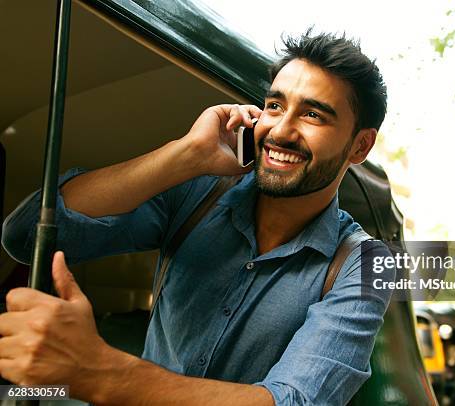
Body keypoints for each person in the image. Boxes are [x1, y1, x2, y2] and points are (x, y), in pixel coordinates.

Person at [0, 30, 394, 405]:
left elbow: (298, 400)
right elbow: (23, 236)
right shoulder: (197, 191)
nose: (281, 130)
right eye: (274, 106)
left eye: (313, 115)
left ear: (360, 146)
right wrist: (186, 154)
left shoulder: (365, 263)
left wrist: (100, 371)